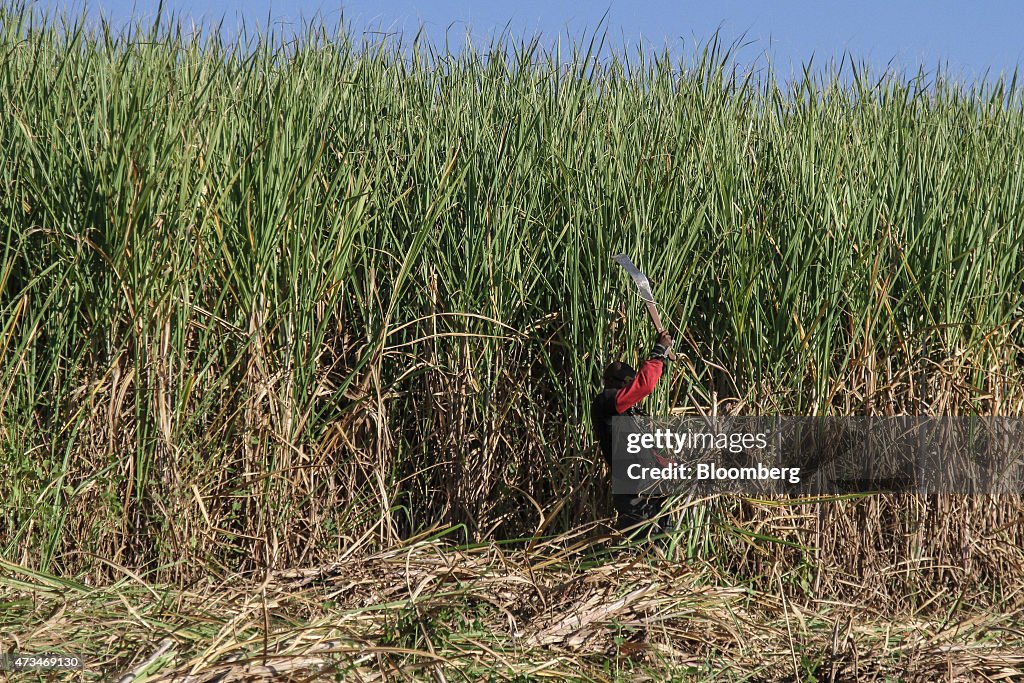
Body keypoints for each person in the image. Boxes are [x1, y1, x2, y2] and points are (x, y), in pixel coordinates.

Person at [591, 331, 674, 531]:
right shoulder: (605, 403)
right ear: (612, 382)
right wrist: (659, 353)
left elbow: (647, 454)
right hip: (633, 494)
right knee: (638, 547)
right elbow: (643, 386)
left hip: (650, 492)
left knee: (661, 545)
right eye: (626, 384)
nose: (629, 390)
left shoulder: (627, 416)